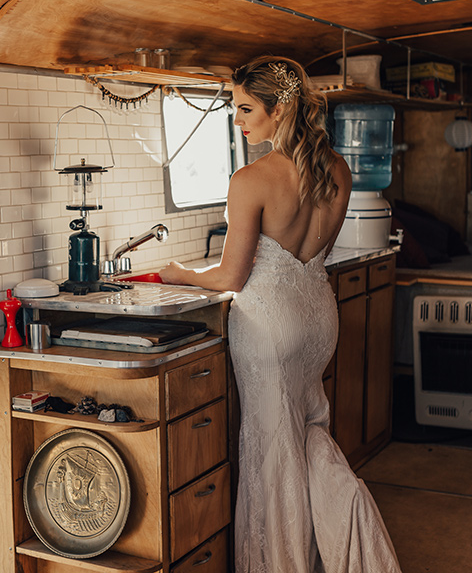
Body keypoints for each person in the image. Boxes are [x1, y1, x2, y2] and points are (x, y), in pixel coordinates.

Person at [160, 57, 402, 573]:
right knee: (309, 433)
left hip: (270, 329)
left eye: (246, 108)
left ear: (281, 108)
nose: (236, 118)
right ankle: (338, 536)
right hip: (317, 318)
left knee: (274, 453)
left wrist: (180, 273)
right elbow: (306, 256)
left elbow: (230, 278)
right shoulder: (338, 168)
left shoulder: (252, 178)